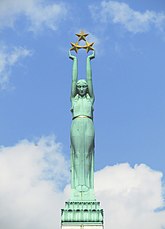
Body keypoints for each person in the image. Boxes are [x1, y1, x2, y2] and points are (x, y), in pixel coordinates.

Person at [69, 50, 95, 194]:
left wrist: (88, 60)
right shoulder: (74, 99)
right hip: (76, 124)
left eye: (84, 86)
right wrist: (74, 61)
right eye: (79, 86)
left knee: (87, 154)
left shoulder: (90, 99)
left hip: (88, 124)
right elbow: (73, 80)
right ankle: (78, 184)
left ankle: (86, 184)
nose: (82, 88)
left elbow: (90, 79)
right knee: (78, 154)